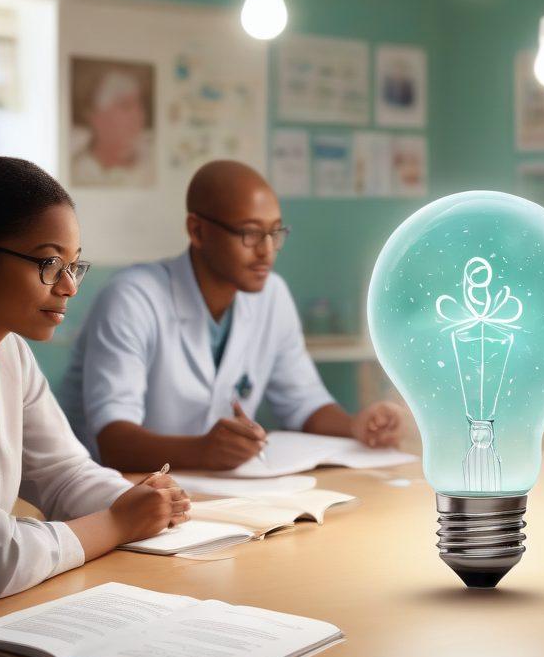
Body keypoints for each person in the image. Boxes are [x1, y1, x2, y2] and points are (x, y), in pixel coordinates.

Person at [0, 155, 192, 657]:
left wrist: (151, 501)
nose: (68, 286)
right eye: (48, 263)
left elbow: (66, 474)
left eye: (75, 265)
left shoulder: (7, 354)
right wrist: (119, 523)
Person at [61, 159, 403, 472]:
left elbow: (303, 402)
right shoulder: (132, 299)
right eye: (250, 233)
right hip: (115, 493)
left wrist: (357, 425)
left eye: (275, 233)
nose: (266, 251)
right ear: (197, 231)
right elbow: (114, 443)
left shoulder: (272, 296)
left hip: (212, 490)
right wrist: (202, 452)